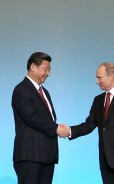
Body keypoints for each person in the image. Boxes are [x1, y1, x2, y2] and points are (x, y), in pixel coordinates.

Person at [67, 62, 114, 184]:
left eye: (99, 77)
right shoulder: (98, 100)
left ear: (111, 76)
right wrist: (69, 131)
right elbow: (89, 125)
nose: (97, 81)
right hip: (105, 160)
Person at [12, 52, 70, 184]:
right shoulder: (21, 89)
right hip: (30, 155)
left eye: (49, 69)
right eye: (46, 69)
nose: (48, 73)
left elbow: (47, 119)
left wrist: (57, 127)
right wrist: (56, 128)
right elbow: (32, 117)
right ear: (33, 67)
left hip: (46, 155)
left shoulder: (45, 92)